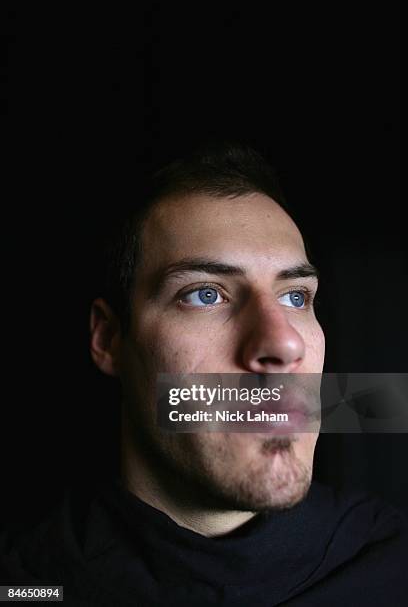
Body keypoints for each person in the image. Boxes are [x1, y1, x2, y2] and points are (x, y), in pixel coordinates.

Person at [1, 143, 407, 605]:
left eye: (296, 297)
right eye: (205, 295)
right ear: (109, 339)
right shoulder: (27, 583)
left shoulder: (392, 565)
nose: (283, 344)